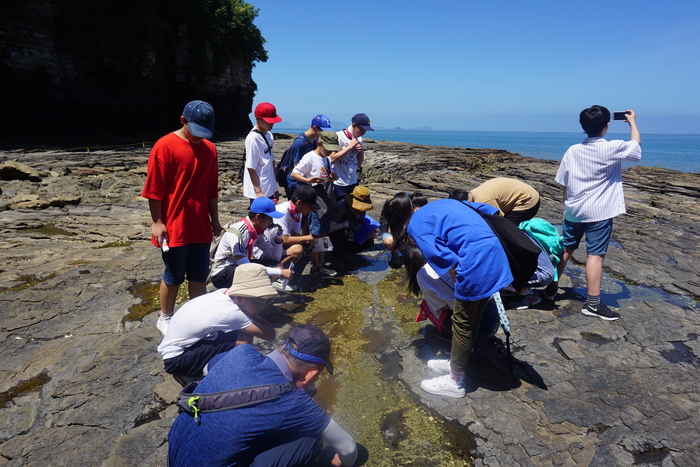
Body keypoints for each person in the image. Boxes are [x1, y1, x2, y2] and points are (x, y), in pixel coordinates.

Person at [167, 325, 358, 467]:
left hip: (176, 456)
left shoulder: (241, 352)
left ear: (284, 346)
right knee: (310, 440)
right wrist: (340, 462)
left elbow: (208, 368)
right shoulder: (294, 401)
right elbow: (348, 448)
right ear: (311, 375)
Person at [408, 199, 512, 398]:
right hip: (494, 255)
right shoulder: (446, 203)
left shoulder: (417, 226)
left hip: (473, 264)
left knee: (462, 323)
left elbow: (448, 262)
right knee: (475, 316)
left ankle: (455, 381)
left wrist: (461, 286)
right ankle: (459, 360)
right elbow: (493, 212)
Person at [549, 105, 641, 320]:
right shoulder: (612, 147)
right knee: (595, 256)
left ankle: (550, 290)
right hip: (599, 212)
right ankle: (592, 304)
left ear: (583, 126)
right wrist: (633, 123)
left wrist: (565, 206)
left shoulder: (572, 150)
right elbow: (636, 148)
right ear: (606, 126)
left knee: (565, 250)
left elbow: (564, 182)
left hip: (573, 209)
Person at [141, 100, 222, 336]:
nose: (199, 138)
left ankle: (198, 318)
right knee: (174, 275)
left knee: (199, 275)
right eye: (194, 131)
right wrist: (157, 223)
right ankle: (165, 317)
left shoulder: (210, 149)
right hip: (174, 225)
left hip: (200, 225)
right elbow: (153, 190)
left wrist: (214, 220)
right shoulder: (164, 146)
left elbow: (212, 191)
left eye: (204, 133)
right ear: (182, 121)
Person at [157, 263, 277, 382]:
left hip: (179, 347)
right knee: (243, 338)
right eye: (260, 303)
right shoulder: (231, 313)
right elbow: (270, 335)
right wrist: (251, 315)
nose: (262, 308)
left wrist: (251, 312)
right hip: (176, 360)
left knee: (238, 332)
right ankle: (224, 374)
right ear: (240, 298)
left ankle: (216, 366)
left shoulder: (225, 293)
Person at [291, 131, 343, 279]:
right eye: (328, 148)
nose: (330, 152)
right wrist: (309, 180)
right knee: (315, 235)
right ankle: (315, 266)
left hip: (326, 202)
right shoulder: (309, 157)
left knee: (323, 235)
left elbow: (333, 175)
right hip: (316, 202)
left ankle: (320, 264)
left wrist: (333, 177)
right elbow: (294, 173)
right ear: (320, 144)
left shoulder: (326, 159)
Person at [210, 197, 292, 291]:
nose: (271, 223)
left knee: (275, 264)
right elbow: (246, 267)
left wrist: (278, 240)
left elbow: (275, 257)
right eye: (269, 219)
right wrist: (279, 272)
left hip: (239, 268)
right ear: (258, 217)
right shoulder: (238, 232)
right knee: (259, 275)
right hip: (222, 274)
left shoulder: (256, 232)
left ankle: (259, 294)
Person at [272, 185, 322, 291]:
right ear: (299, 203)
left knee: (305, 249)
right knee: (297, 250)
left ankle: (291, 280)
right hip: (269, 248)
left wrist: (308, 245)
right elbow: (284, 240)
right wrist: (307, 238)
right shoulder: (282, 211)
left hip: (277, 247)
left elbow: (295, 237)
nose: (311, 209)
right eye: (310, 206)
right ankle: (276, 277)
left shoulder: (297, 213)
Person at [451, 178, 540, 225]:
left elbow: (497, 218)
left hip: (527, 200)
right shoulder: (473, 193)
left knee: (507, 230)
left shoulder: (483, 199)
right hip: (522, 194)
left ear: (466, 202)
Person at [283, 115, 333, 199]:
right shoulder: (300, 143)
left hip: (306, 184)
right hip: (296, 185)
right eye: (322, 131)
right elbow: (297, 169)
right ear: (314, 128)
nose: (324, 134)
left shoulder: (314, 141)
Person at [328, 185, 378, 266]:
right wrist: (346, 224)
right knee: (342, 234)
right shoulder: (341, 206)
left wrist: (370, 232)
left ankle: (346, 253)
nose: (360, 210)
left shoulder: (361, 211)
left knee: (369, 241)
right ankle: (337, 259)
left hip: (351, 232)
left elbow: (360, 223)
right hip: (335, 234)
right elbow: (328, 228)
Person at [244, 102, 282, 203]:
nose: (271, 124)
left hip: (269, 187)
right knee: (260, 218)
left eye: (273, 121)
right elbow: (251, 167)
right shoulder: (253, 139)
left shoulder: (269, 136)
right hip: (258, 192)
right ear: (258, 118)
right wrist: (258, 192)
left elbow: (271, 162)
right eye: (268, 121)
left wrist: (275, 187)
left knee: (270, 218)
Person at [332, 113, 373, 199]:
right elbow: (332, 159)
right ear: (354, 125)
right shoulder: (338, 136)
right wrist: (349, 147)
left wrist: (361, 151)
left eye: (365, 131)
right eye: (361, 130)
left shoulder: (359, 139)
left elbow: (359, 163)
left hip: (353, 182)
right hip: (339, 183)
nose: (363, 133)